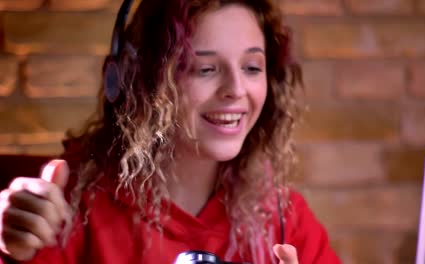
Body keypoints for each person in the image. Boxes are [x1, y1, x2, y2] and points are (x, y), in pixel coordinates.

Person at [0, 0, 341, 263]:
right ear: (138, 80)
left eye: (252, 67)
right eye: (205, 68)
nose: (236, 89)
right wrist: (13, 252)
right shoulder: (68, 205)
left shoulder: (283, 218)